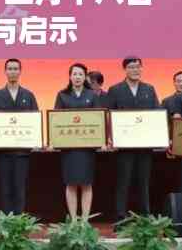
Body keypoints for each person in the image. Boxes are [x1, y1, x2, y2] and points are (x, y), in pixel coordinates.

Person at [107, 56, 160, 223]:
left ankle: (145, 217)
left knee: (144, 182)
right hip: (124, 146)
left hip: (145, 145)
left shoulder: (149, 89)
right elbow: (108, 115)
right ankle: (120, 218)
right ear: (125, 70)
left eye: (138, 67)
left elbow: (157, 114)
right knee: (123, 182)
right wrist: (110, 138)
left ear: (141, 68)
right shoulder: (115, 90)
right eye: (131, 67)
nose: (135, 70)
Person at [0, 58, 39, 215]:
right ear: (5, 72)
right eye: (10, 69)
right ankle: (6, 222)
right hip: (3, 152)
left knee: (20, 187)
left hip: (22, 152)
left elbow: (35, 120)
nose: (13, 71)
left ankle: (19, 223)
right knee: (5, 188)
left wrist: (36, 140)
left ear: (20, 71)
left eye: (15, 69)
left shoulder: (28, 95)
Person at [55, 63, 101, 220]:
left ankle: (85, 220)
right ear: (70, 76)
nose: (77, 77)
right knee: (71, 184)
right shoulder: (62, 95)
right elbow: (56, 120)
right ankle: (74, 220)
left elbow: (98, 119)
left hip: (87, 147)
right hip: (69, 148)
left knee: (87, 184)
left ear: (85, 77)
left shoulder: (92, 95)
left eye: (80, 74)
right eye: (74, 74)